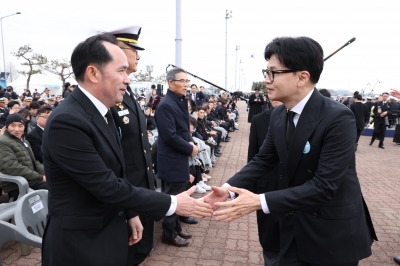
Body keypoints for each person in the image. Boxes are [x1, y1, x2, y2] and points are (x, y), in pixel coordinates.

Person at [41, 33, 211, 266]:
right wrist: (171, 203)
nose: (128, 79)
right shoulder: (68, 120)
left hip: (106, 232)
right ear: (93, 73)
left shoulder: (102, 112)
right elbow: (105, 185)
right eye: (121, 71)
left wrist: (131, 212)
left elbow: (117, 170)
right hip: (80, 244)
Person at [205, 36, 377, 266]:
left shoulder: (337, 117)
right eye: (266, 72)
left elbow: (324, 186)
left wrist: (259, 201)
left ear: (302, 77)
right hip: (292, 224)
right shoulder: (278, 115)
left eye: (273, 73)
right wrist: (227, 189)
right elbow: (263, 160)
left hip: (330, 232)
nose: (266, 80)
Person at [108, 25, 159, 266]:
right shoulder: (107, 98)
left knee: (141, 251)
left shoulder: (126, 92)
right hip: (126, 198)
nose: (138, 56)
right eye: (133, 49)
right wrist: (130, 209)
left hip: (141, 192)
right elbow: (113, 159)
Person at [155, 67, 201, 247]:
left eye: (187, 81)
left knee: (181, 194)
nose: (186, 84)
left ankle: (176, 228)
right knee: (173, 198)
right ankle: (168, 234)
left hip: (180, 155)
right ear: (170, 83)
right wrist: (189, 148)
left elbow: (184, 128)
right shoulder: (165, 105)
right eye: (182, 81)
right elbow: (170, 136)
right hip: (172, 159)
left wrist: (191, 142)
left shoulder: (180, 101)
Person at [0, 114, 47, 200]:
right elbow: (12, 167)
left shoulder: (24, 141)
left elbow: (34, 161)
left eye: (20, 126)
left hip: (31, 179)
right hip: (18, 184)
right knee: (56, 188)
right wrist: (40, 177)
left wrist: (44, 173)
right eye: (12, 125)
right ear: (6, 127)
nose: (17, 129)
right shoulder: (3, 142)